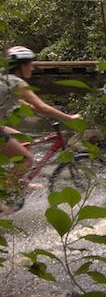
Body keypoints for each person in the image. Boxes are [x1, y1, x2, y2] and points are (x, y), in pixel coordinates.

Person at [0, 45, 81, 214]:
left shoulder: (4, 79)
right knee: (27, 158)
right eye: (29, 63)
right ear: (20, 66)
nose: (32, 67)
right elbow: (42, 107)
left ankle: (20, 181)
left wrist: (34, 110)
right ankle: (4, 195)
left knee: (24, 140)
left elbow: (19, 102)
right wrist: (69, 118)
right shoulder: (17, 82)